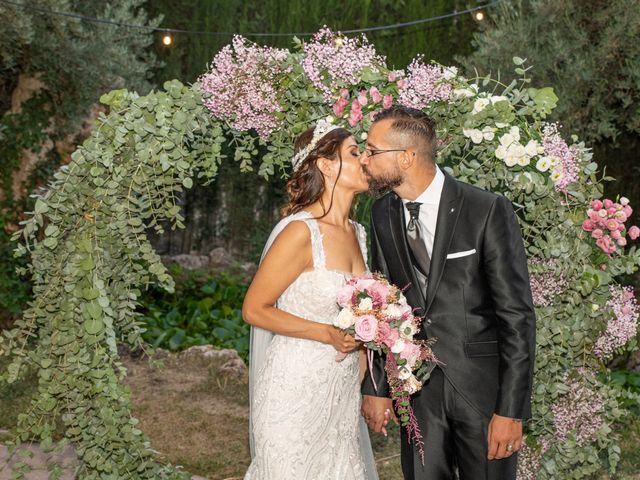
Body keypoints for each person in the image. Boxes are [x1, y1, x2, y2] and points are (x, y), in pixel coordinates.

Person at [359, 106, 536, 480]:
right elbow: (379, 305)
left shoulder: (485, 209)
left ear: (407, 157)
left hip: (483, 393)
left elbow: (517, 317)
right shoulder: (381, 213)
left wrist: (511, 410)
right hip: (417, 392)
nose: (364, 159)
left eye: (373, 151)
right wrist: (375, 386)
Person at [243, 120, 379, 479]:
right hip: (295, 385)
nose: (366, 159)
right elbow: (254, 309)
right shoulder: (300, 232)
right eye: (354, 152)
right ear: (326, 165)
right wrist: (326, 333)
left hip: (342, 388)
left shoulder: (359, 234)